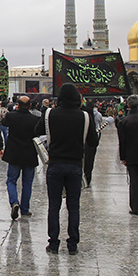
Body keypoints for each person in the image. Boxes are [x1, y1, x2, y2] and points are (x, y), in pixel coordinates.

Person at [35, 84, 99, 255]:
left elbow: (37, 130)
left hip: (55, 164)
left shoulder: (50, 114)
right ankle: (72, 243)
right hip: (75, 165)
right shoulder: (84, 116)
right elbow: (93, 142)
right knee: (73, 206)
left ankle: (54, 243)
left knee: (54, 205)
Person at [1, 95, 41, 219]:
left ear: (17, 105)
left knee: (11, 180)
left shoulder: (11, 116)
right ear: (30, 105)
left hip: (14, 153)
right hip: (29, 154)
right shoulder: (35, 119)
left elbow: (3, 123)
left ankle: (14, 202)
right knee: (27, 183)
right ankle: (25, 209)